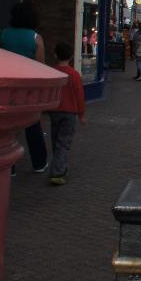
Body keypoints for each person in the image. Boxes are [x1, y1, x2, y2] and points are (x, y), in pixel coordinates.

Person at [0, 2, 48, 173]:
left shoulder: (2, 34)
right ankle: (39, 163)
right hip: (28, 88)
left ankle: (9, 167)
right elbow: (40, 67)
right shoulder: (36, 38)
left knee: (8, 128)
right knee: (33, 125)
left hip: (7, 87)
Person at [48, 42, 86, 186]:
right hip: (70, 113)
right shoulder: (74, 74)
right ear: (71, 56)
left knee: (55, 139)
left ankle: (59, 166)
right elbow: (79, 95)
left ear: (55, 55)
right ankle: (57, 172)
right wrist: (81, 114)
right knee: (63, 142)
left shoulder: (51, 72)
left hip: (54, 111)